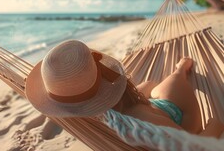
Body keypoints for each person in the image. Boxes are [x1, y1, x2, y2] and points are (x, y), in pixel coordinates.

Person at [25, 40, 224, 138]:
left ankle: (157, 86)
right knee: (174, 80)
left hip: (143, 109)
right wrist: (216, 123)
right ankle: (181, 70)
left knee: (148, 86)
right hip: (178, 116)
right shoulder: (144, 122)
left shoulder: (88, 124)